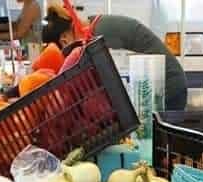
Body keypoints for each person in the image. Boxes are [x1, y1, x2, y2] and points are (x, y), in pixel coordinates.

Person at [42, 4, 188, 110]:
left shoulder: (100, 36)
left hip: (168, 88)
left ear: (64, 40)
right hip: (154, 89)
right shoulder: (96, 26)